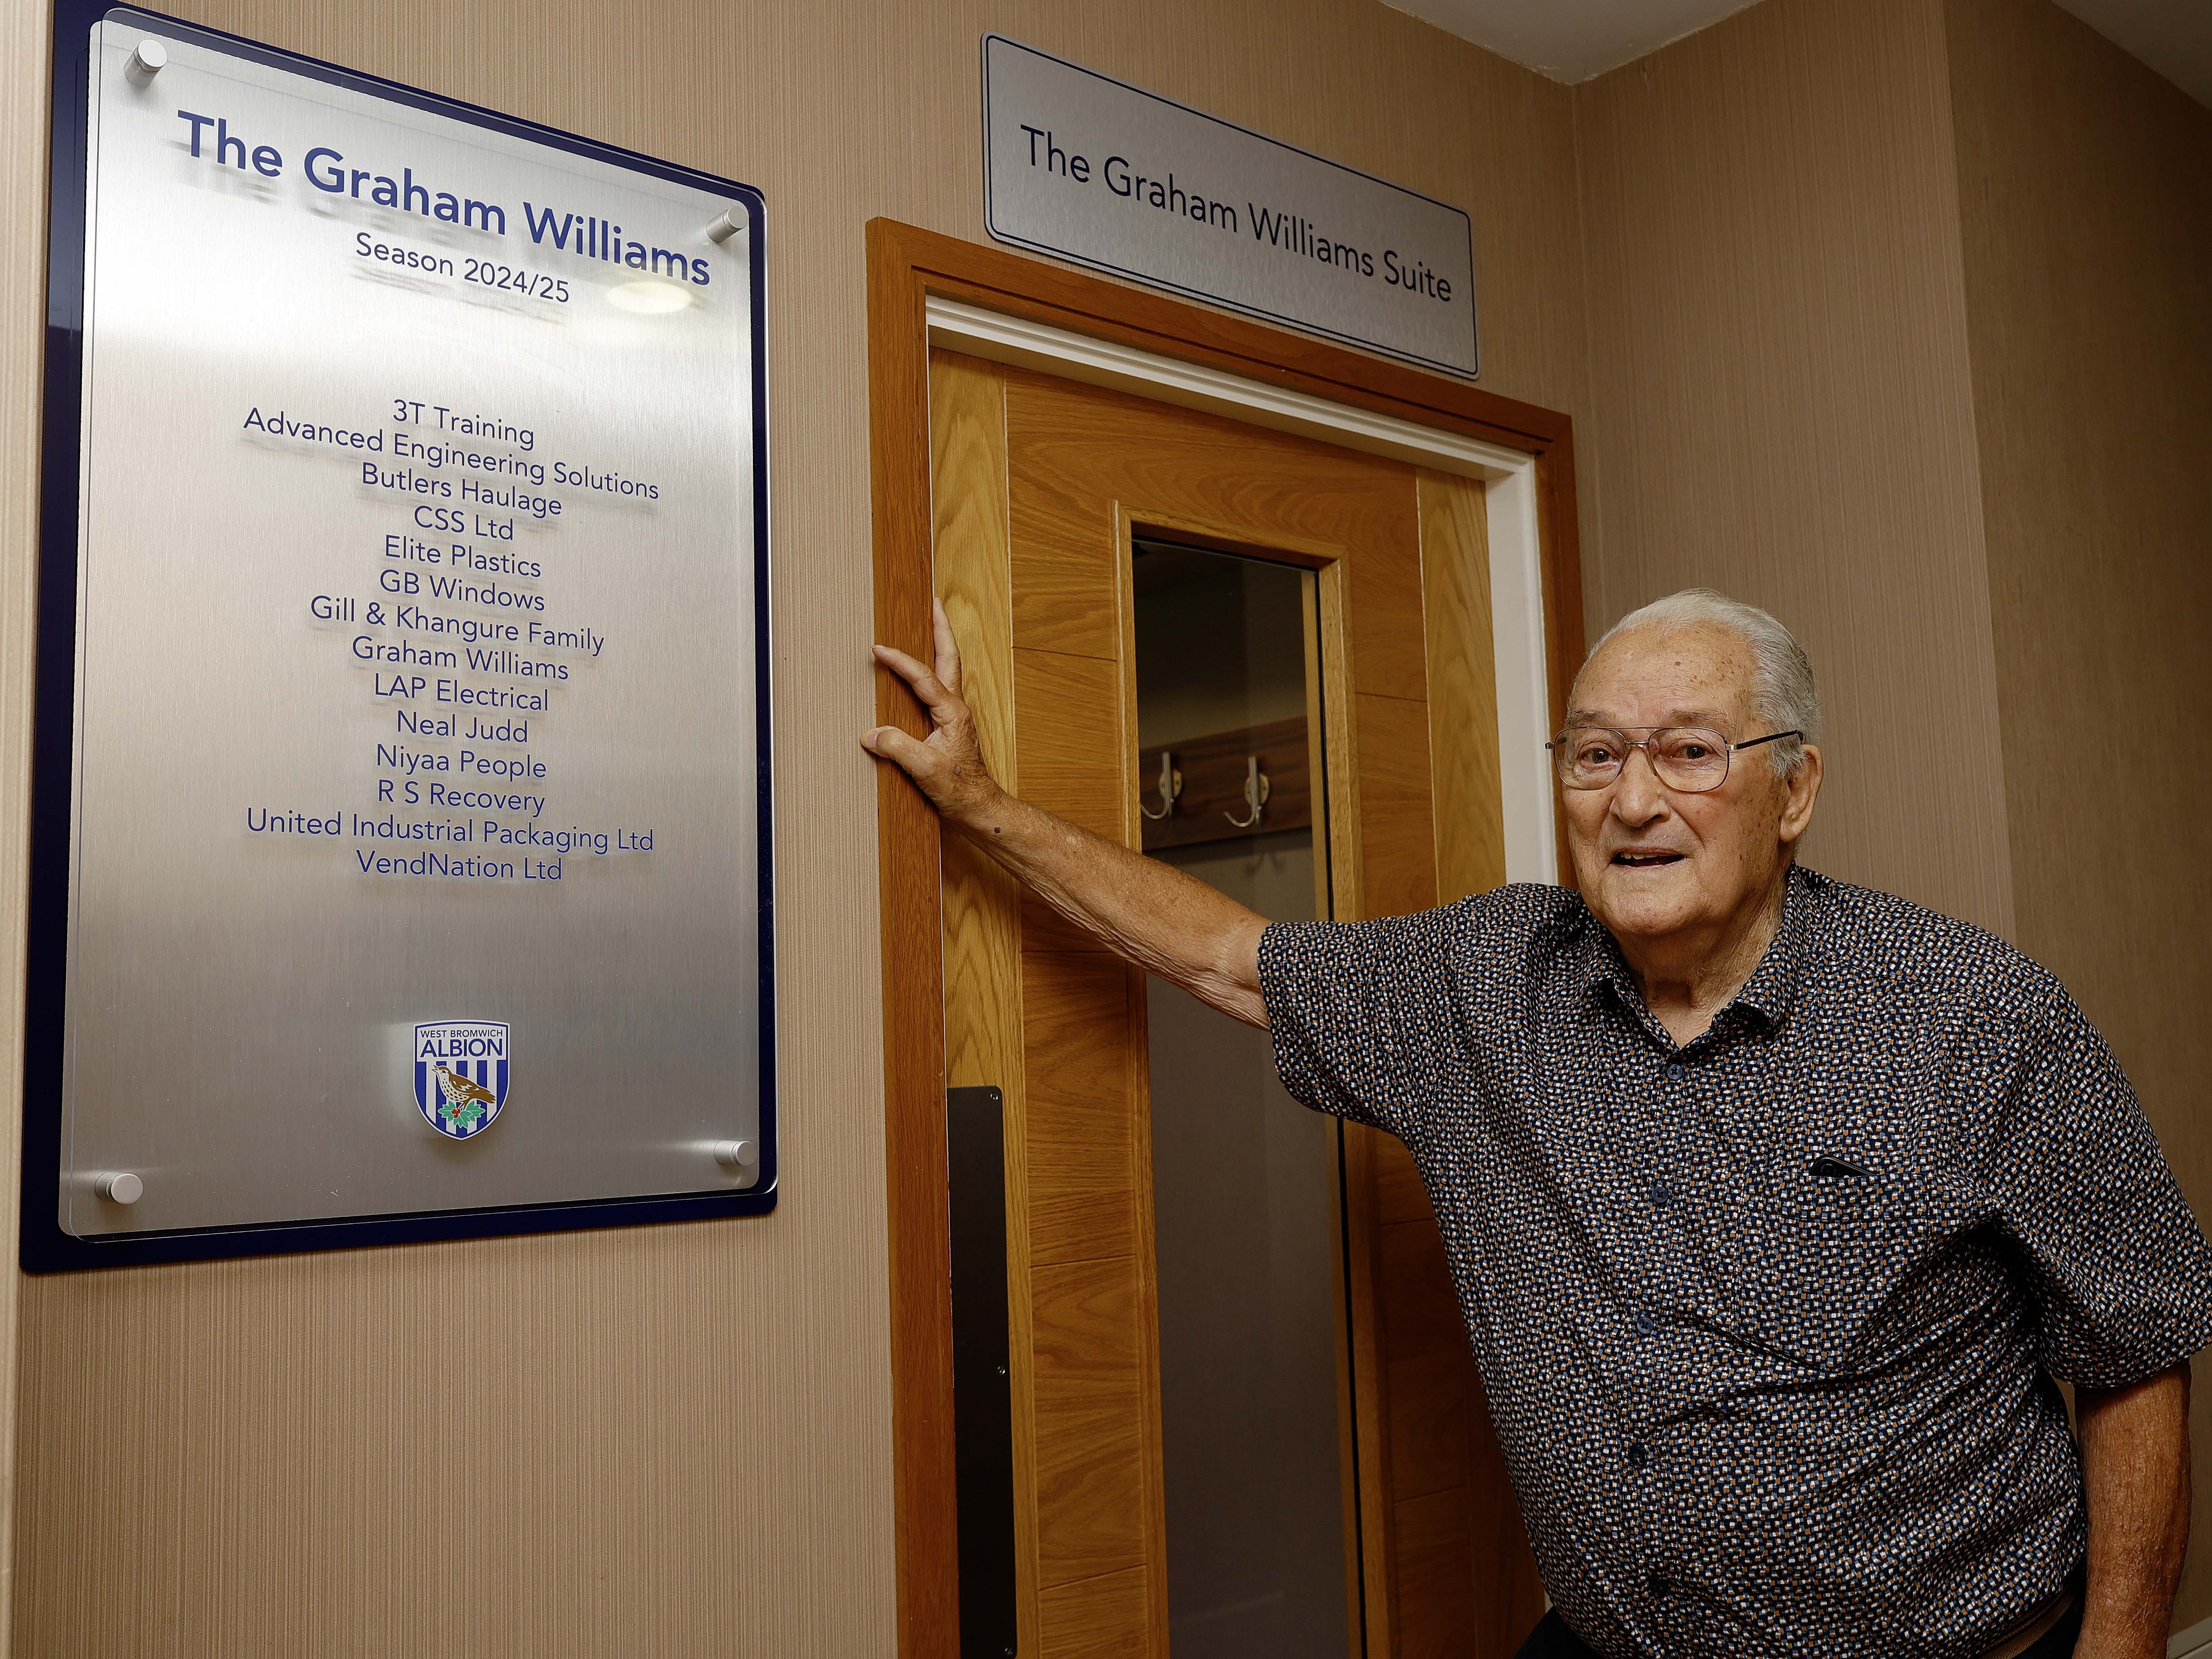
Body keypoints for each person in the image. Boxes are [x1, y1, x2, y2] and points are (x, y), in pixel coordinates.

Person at [862, 586, 2211, 1659]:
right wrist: (980, 808)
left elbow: (2137, 1344)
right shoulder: (1480, 990)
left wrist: (2122, 1649)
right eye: (1595, 755)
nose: (1634, 802)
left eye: (1690, 753)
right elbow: (1225, 954)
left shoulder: (1979, 1020)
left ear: (1794, 790)